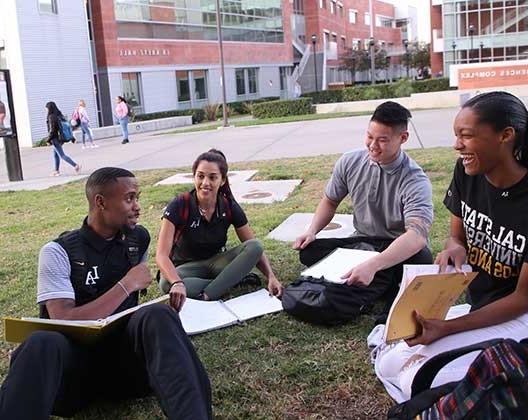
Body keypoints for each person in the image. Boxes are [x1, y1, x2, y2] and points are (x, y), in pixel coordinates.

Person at [374, 91, 528, 402]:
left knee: (418, 379)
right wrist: (455, 246)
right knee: (388, 364)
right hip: (481, 308)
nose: (457, 145)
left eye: (466, 136)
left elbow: (524, 298)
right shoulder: (468, 174)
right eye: (457, 135)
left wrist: (448, 327)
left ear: (505, 136)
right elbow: (456, 237)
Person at [0, 167, 213, 419]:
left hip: (126, 371)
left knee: (159, 315)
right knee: (41, 341)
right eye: (129, 198)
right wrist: (126, 285)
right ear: (100, 202)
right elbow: (62, 319)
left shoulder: (138, 239)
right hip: (73, 379)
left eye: (137, 197)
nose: (137, 206)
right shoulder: (58, 252)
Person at [293, 101, 434, 323]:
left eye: (383, 140)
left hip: (394, 249)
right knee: (309, 251)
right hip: (361, 244)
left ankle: (381, 282)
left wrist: (374, 264)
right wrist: (312, 230)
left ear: (403, 138)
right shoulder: (350, 161)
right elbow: (330, 201)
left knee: (422, 258)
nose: (373, 145)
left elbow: (416, 236)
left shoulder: (415, 180)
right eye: (370, 136)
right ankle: (382, 282)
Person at [156, 149, 283, 311]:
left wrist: (271, 277)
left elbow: (251, 245)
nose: (205, 183)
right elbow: (161, 255)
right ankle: (231, 280)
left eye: (213, 177)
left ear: (222, 180)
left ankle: (210, 293)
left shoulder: (228, 205)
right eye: (200, 176)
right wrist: (177, 283)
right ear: (194, 177)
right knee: (167, 283)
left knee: (256, 245)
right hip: (187, 268)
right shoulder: (180, 204)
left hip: (218, 263)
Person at [46, 101, 80, 177]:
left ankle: (75, 165)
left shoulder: (51, 117)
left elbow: (52, 130)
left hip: (55, 138)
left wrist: (48, 140)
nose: (46, 110)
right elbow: (66, 127)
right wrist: (72, 138)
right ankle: (56, 171)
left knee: (62, 155)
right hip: (61, 138)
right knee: (55, 154)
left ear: (49, 108)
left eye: (46, 108)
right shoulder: (59, 115)